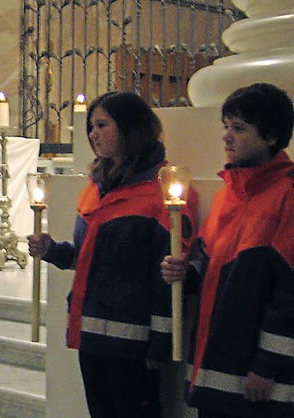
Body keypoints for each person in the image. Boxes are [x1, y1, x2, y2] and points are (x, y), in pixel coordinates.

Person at [28, 91, 196, 418]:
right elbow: (90, 258)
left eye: (102, 125)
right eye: (91, 126)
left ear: (131, 128)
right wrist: (53, 252)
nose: (92, 134)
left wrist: (160, 344)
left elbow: (166, 275)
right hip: (91, 333)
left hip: (133, 341)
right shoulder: (95, 186)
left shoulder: (160, 191)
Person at [161, 83, 294, 418]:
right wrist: (184, 273)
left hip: (259, 380)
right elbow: (209, 266)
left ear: (272, 136)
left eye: (239, 128)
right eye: (226, 126)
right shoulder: (227, 195)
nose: (227, 137)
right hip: (217, 367)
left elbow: (289, 293)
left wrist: (267, 366)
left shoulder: (288, 194)